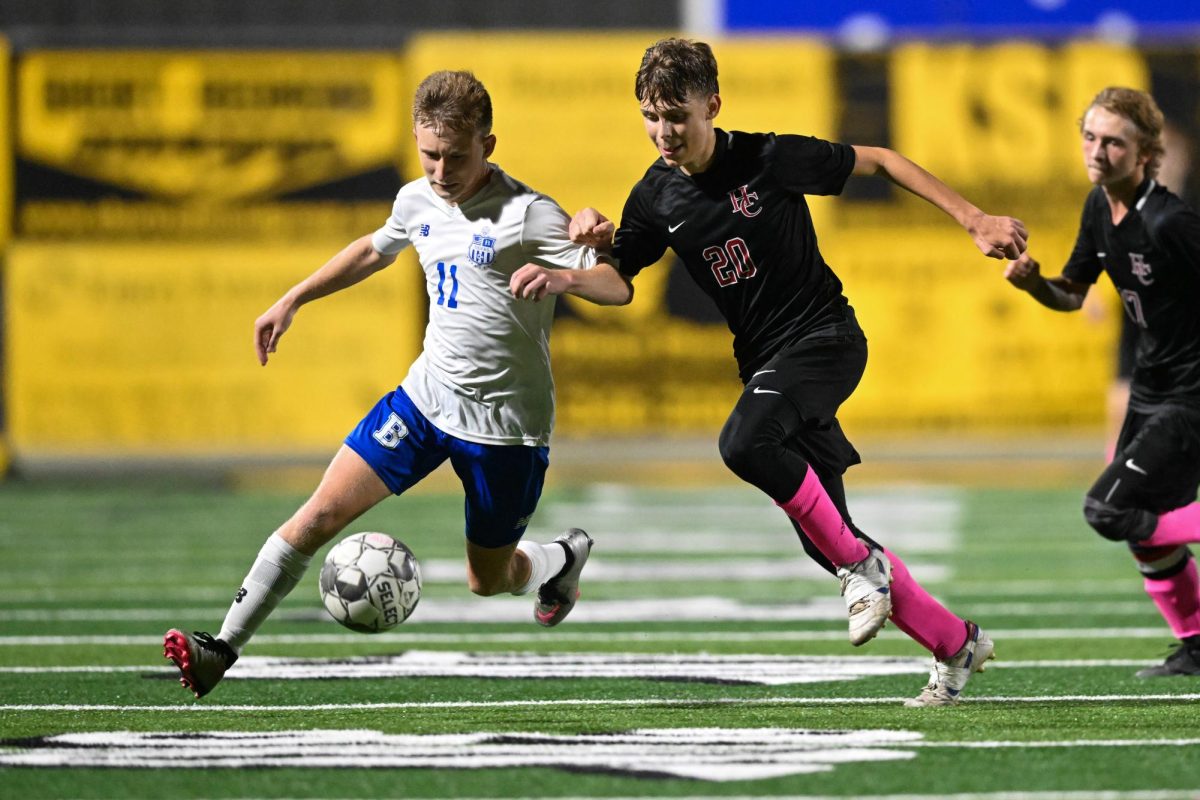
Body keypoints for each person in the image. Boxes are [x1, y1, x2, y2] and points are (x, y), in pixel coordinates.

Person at [534, 38, 1028, 706]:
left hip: (825, 339)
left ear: (713, 103)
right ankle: (955, 643)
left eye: (676, 115)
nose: (663, 132)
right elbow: (619, 283)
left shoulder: (765, 157)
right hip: (766, 365)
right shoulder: (654, 195)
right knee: (826, 541)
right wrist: (570, 271)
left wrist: (974, 219)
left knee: (743, 445)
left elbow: (878, 160)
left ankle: (863, 569)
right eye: (651, 116)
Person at [164, 70, 632, 699]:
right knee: (319, 514)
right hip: (424, 399)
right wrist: (295, 297)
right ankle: (222, 647)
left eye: (456, 156)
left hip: (507, 427)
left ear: (487, 145)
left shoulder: (528, 212)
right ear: (416, 141)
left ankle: (561, 559)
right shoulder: (417, 200)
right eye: (429, 154)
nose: (441, 171)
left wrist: (568, 278)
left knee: (488, 580)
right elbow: (374, 248)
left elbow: (617, 284)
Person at [1006, 87, 1200, 678]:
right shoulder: (1099, 206)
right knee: (1144, 530)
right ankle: (1197, 645)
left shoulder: (1171, 222)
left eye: (1114, 141)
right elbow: (1073, 292)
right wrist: (1037, 284)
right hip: (1150, 388)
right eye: (1090, 137)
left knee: (1106, 508)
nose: (1097, 151)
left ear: (1146, 154)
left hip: (1189, 397)